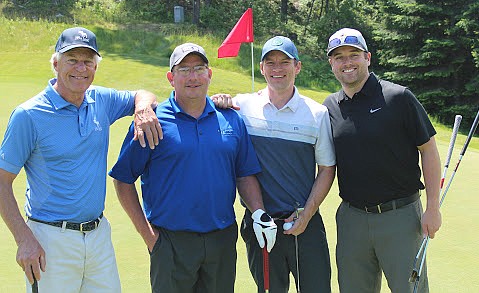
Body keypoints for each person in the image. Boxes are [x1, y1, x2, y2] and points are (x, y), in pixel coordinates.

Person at [0, 27, 163, 292]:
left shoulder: (100, 100)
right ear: (55, 63)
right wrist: (23, 239)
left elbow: (141, 94)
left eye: (88, 61)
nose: (80, 68)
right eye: (72, 59)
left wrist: (143, 108)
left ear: (96, 66)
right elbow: (2, 182)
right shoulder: (28, 115)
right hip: (50, 241)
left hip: (98, 237)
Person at [108, 42, 277, 293]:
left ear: (209, 74)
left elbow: (244, 173)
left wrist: (259, 212)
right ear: (171, 78)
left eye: (199, 68)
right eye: (183, 69)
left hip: (221, 239)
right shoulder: (152, 121)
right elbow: (123, 180)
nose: (193, 76)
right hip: (170, 241)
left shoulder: (230, 118)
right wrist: (149, 237)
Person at [322, 28, 442, 292]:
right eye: (339, 57)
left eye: (354, 54)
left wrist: (433, 207)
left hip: (399, 217)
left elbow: (429, 150)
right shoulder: (329, 107)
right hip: (352, 219)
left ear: (368, 57)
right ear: (331, 63)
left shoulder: (398, 97)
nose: (347, 62)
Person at [213, 36, 336, 293]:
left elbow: (326, 169)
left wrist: (307, 213)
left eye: (284, 62)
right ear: (261, 68)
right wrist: (217, 102)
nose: (277, 68)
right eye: (270, 63)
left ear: (297, 67)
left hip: (305, 224)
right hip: (260, 223)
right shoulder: (242, 107)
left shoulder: (316, 114)